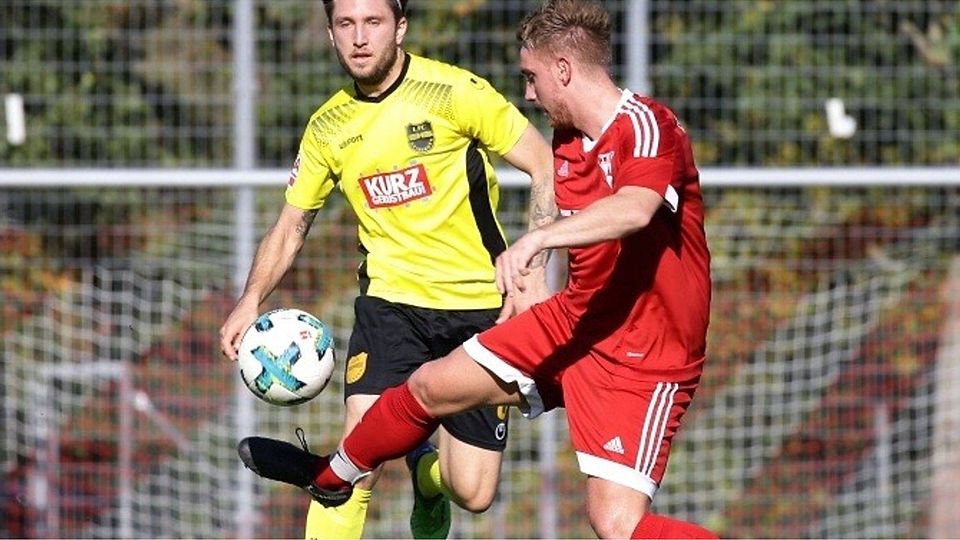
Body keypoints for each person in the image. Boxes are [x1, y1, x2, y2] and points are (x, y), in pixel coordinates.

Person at [236, 0, 718, 538]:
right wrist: (538, 279)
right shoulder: (567, 138)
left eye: (532, 77)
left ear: (562, 69)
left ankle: (409, 476)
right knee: (428, 386)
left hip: (639, 354)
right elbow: (290, 224)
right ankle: (331, 477)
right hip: (546, 316)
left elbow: (635, 208)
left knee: (607, 524)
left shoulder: (648, 127)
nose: (528, 93)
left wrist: (536, 244)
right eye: (346, 24)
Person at [218, 0, 556, 538]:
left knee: (473, 491)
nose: (359, 38)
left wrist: (534, 274)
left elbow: (543, 163)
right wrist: (250, 298)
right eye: (345, 24)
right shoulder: (327, 126)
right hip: (389, 306)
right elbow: (289, 227)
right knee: (355, 461)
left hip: (477, 308)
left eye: (372, 22)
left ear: (399, 27)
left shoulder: (454, 93)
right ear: (331, 34)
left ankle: (426, 475)